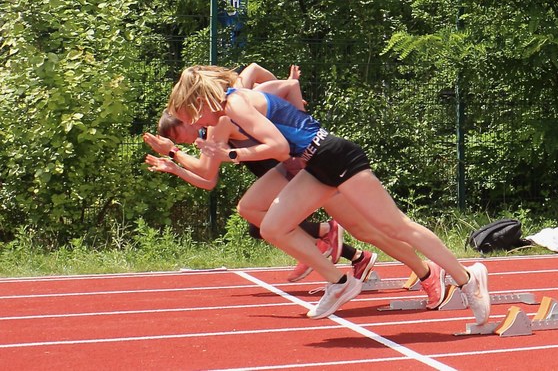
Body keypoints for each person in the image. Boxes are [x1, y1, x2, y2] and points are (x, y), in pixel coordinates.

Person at [167, 66, 490, 322]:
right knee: (272, 228)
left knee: (394, 226)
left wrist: (231, 156)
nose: (197, 124)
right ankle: (340, 283)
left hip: (333, 155)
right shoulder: (226, 112)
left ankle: (466, 278)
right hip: (313, 166)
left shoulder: (236, 102)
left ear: (200, 99)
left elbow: (278, 147)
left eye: (192, 116)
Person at [144, 64, 377, 283]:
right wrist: (175, 165)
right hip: (280, 167)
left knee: (368, 224)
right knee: (262, 226)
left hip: (293, 162)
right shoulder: (210, 128)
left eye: (179, 130)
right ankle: (353, 256)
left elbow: (263, 74)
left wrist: (291, 108)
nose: (182, 138)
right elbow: (208, 180)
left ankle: (336, 253)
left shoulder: (225, 110)